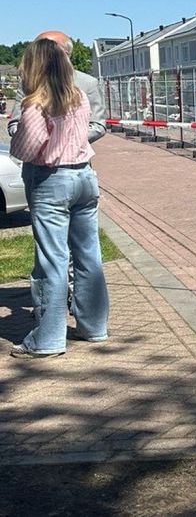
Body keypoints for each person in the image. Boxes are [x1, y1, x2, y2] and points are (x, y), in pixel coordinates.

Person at [8, 39, 110, 358]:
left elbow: (25, 148)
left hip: (51, 180)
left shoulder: (36, 102)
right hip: (84, 176)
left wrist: (19, 141)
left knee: (52, 259)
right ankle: (94, 326)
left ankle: (48, 338)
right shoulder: (77, 96)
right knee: (88, 254)